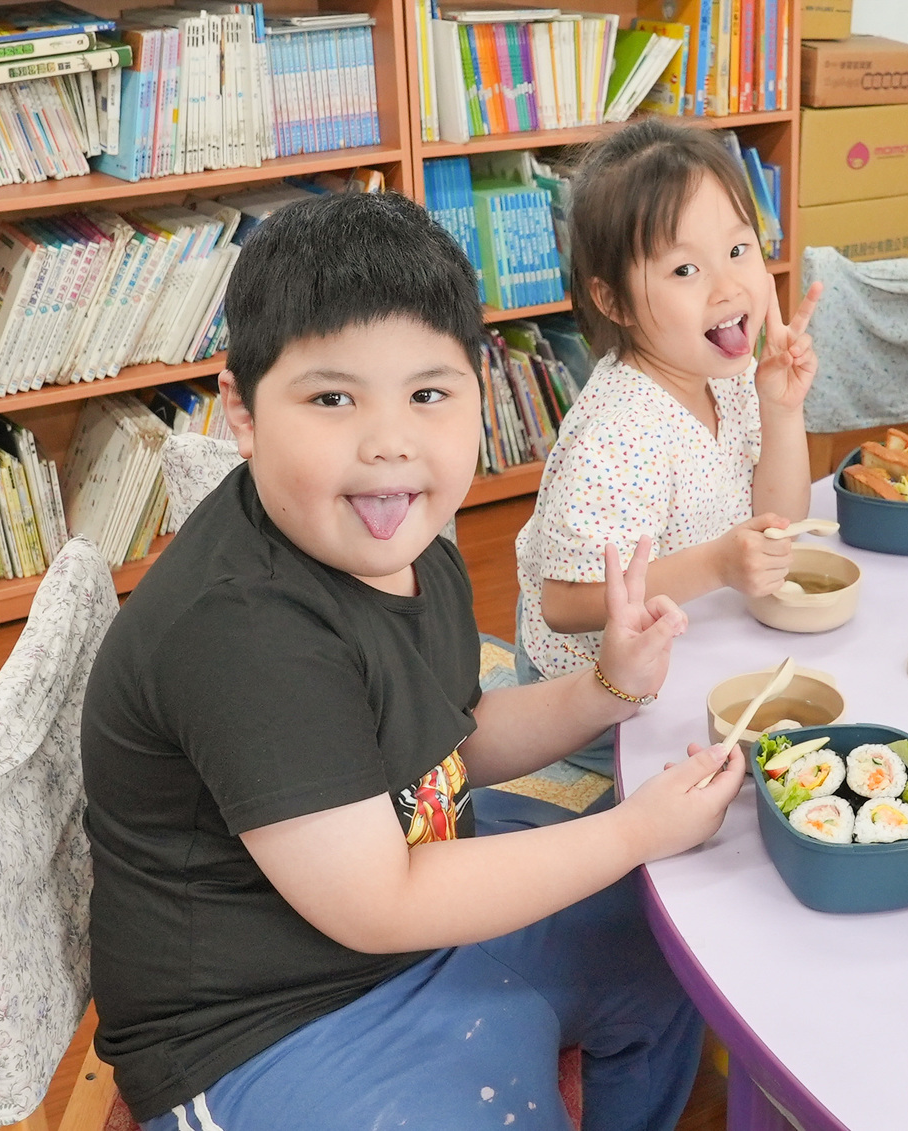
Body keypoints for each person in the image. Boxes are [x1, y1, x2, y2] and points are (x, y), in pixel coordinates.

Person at [81, 191, 745, 1131]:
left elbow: (448, 737)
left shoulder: (404, 534)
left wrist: (606, 691)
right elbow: (379, 904)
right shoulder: (242, 632)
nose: (390, 442)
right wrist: (635, 828)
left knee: (674, 948)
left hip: (411, 891)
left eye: (428, 394)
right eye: (331, 397)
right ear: (241, 410)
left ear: (477, 386)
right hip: (261, 1024)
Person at [512, 119, 823, 777]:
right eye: (686, 268)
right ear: (613, 300)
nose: (728, 287)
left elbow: (779, 520)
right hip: (589, 694)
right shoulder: (616, 434)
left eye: (740, 250)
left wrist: (781, 408)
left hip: (690, 636)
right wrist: (716, 566)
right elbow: (564, 605)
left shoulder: (728, 371)